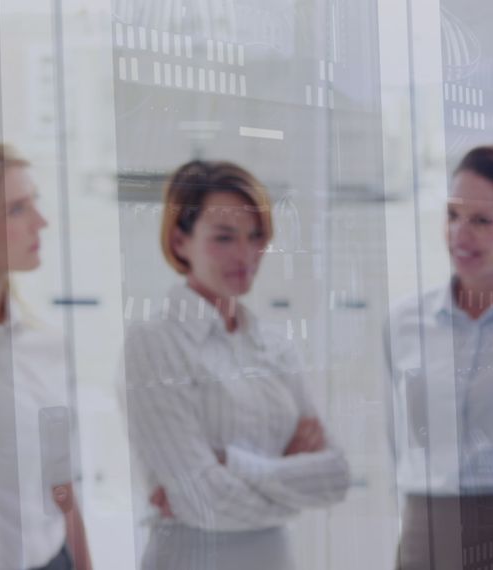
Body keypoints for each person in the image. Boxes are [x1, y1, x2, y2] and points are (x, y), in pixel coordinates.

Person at [122, 160, 349, 570]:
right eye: (224, 237)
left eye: (256, 236)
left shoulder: (275, 345)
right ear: (179, 242)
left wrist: (235, 465)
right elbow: (206, 502)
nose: (245, 254)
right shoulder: (153, 342)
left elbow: (335, 476)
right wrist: (289, 473)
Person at [385, 145, 493, 569]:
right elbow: (395, 439)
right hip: (425, 528)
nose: (460, 235)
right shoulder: (404, 323)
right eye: (452, 215)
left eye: (482, 221)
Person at [0, 139, 92, 569]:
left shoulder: (46, 347)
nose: (42, 222)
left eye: (34, 203)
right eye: (17, 209)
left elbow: (62, 486)